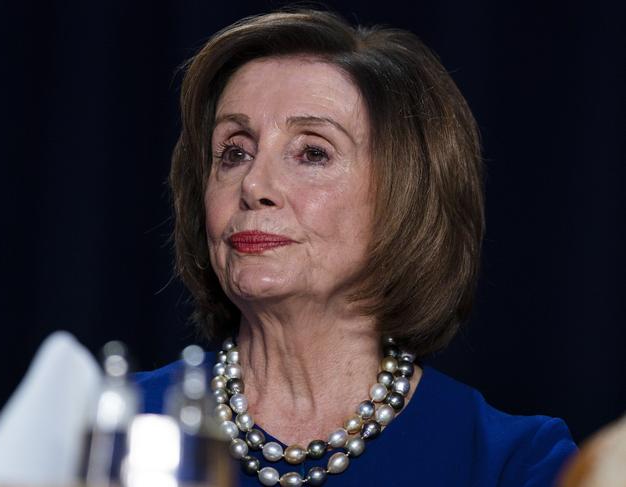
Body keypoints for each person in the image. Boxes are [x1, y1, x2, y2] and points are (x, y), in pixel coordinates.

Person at [134, 8, 577, 486]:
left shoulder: (515, 464)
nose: (254, 183)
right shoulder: (110, 425)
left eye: (313, 153)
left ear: (404, 197)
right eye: (234, 152)